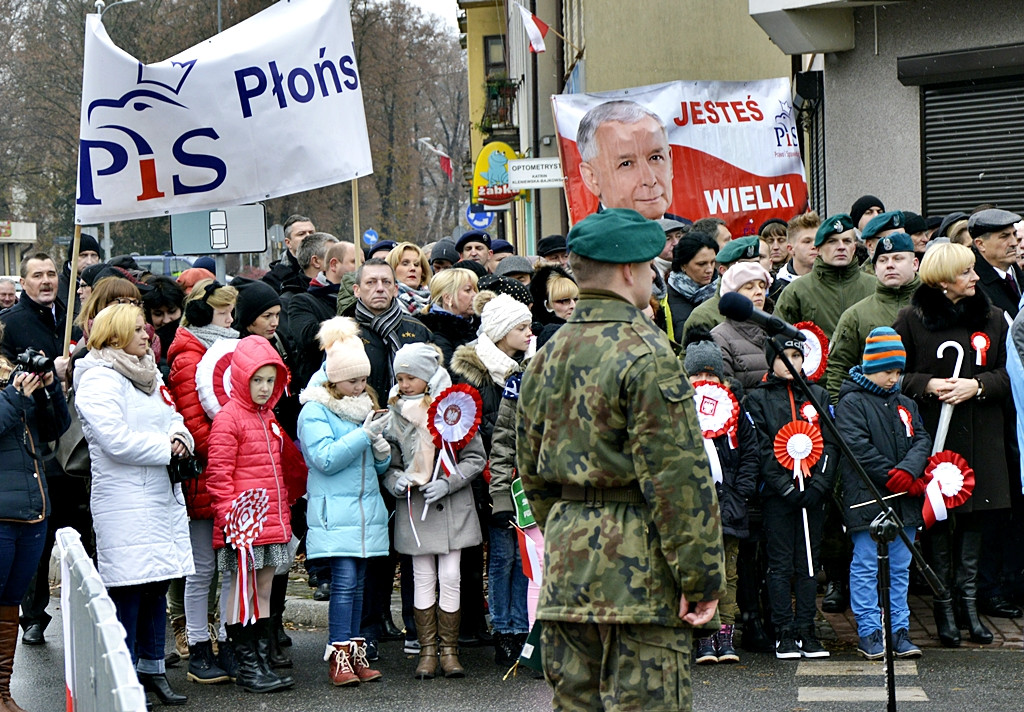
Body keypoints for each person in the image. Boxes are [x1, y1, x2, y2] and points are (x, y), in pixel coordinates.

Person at [517, 209, 724, 710]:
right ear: (629, 271)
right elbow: (678, 479)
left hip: (569, 564)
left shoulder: (547, 354)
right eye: (651, 267)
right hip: (642, 573)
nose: (655, 276)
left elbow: (531, 470)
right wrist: (700, 579)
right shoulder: (648, 353)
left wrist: (573, 521)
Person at [74, 303, 195, 705]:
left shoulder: (147, 372)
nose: (147, 336)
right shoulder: (98, 378)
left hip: (158, 496)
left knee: (156, 586)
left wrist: (181, 438)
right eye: (139, 330)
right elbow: (115, 440)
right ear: (115, 335)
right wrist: (167, 448)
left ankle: (153, 669)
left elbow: (172, 415)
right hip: (124, 500)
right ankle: (121, 676)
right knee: (128, 589)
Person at [893, 242, 1011, 647]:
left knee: (976, 523)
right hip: (935, 438)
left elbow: (1007, 375)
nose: (976, 278)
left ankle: (969, 607)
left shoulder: (994, 318)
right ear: (943, 280)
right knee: (938, 522)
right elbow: (894, 375)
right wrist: (927, 384)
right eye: (966, 272)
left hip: (982, 436)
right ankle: (944, 608)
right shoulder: (910, 319)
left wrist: (976, 386)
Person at [206, 335, 306, 693]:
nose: (265, 389)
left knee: (262, 591)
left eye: (270, 380)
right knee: (241, 594)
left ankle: (261, 660)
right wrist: (231, 521)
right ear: (241, 378)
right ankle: (247, 665)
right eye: (257, 380)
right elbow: (218, 477)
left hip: (271, 521)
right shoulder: (229, 418)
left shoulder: (267, 418)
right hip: (242, 527)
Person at [383, 342, 486, 680]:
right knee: (422, 577)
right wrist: (395, 479)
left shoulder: (454, 408)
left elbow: (475, 457)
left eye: (411, 377)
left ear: (427, 377)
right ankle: (427, 650)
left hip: (451, 505)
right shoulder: (394, 413)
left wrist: (449, 482)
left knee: (452, 577)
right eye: (399, 377)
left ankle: (450, 650)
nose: (404, 384)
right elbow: (389, 461)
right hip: (416, 507)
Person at [297, 317, 390, 687]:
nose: (361, 387)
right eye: (354, 381)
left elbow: (376, 466)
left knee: (360, 584)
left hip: (366, 512)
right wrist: (365, 437)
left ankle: (354, 653)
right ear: (334, 379)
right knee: (346, 582)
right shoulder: (314, 409)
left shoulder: (362, 402)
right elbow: (325, 459)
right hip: (335, 512)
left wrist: (381, 449)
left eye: (364, 380)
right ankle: (339, 656)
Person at [1, 252, 87, 647]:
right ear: (24, 282)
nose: (47, 280)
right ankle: (33, 615)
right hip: (24, 447)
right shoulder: (11, 324)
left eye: (52, 273)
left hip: (61, 435)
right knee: (35, 538)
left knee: (72, 526)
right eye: (37, 275)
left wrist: (58, 378)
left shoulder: (69, 315)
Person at [449, 292, 533, 666]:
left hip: (525, 478)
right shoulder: (472, 373)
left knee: (525, 557)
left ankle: (523, 626)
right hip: (491, 476)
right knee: (501, 558)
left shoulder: (531, 368)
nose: (531, 333)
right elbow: (473, 426)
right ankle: (503, 628)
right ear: (501, 332)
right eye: (521, 327)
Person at [835, 328, 929, 660]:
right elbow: (857, 448)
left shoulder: (905, 403)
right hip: (867, 499)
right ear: (870, 366)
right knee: (865, 565)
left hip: (904, 500)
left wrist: (910, 471)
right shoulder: (851, 402)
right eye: (887, 370)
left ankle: (899, 630)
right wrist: (895, 476)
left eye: (898, 371)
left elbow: (921, 439)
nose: (893, 378)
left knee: (900, 566)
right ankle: (869, 630)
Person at [744, 334, 838, 660]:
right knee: (780, 562)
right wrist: (783, 486)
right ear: (771, 360)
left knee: (809, 562)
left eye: (797, 357)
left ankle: (806, 630)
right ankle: (783, 630)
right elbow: (761, 445)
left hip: (812, 493)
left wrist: (820, 485)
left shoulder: (819, 394)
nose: (791, 363)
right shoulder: (757, 399)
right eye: (784, 357)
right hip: (778, 495)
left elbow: (831, 442)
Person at [165, 279, 239, 677]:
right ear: (202, 314)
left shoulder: (226, 347)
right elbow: (194, 424)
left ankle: (225, 641)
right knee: (202, 569)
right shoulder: (189, 357)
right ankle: (198, 646)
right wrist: (237, 444)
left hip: (229, 473)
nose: (231, 318)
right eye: (224, 311)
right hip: (205, 476)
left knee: (227, 565)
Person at [0, 320, 69, 712]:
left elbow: (54, 428)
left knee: (10, 602)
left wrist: (47, 392)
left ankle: (3, 693)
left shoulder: (12, 371)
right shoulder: (11, 387)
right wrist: (14, 396)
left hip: (30, 507)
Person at [682, 332, 758, 665]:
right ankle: (702, 636)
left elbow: (751, 454)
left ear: (722, 378)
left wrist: (739, 493)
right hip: (693, 510)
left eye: (710, 374)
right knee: (698, 571)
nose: (704, 380)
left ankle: (724, 634)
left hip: (730, 507)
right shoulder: (679, 412)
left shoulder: (736, 412)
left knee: (729, 573)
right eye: (697, 375)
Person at [825, 232, 920, 401]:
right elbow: (838, 369)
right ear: (875, 268)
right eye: (883, 260)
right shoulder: (856, 315)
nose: (890, 265)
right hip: (873, 411)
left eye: (898, 259)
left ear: (914, 264)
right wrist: (839, 411)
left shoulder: (935, 306)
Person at [774, 214, 877, 340]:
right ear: (818, 249)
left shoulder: (875, 287)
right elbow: (778, 339)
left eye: (847, 241)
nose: (841, 247)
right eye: (832, 241)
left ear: (854, 247)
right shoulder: (796, 291)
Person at [576, 101, 673, 219]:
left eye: (655, 158)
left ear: (670, 162)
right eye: (626, 164)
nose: (649, 180)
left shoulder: (692, 233)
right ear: (591, 177)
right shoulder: (586, 237)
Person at [710, 262, 774, 391]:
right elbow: (726, 392)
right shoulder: (720, 337)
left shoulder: (775, 331)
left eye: (762, 287)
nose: (758, 292)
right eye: (749, 287)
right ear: (733, 296)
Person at [681, 236, 761, 337]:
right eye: (743, 266)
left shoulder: (765, 305)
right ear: (724, 270)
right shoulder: (704, 316)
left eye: (756, 265)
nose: (752, 272)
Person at [661, 232, 718, 342]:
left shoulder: (723, 293)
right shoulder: (665, 300)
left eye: (713, 262)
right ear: (683, 265)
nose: (710, 269)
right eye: (701, 264)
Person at [416, 267, 478, 367]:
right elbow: (453, 374)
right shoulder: (436, 333)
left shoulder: (476, 324)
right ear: (448, 298)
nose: (475, 295)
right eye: (468, 290)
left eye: (475, 290)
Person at [967, 208, 1023, 319]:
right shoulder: (973, 285)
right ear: (980, 244)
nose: (1014, 242)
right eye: (1004, 236)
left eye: (1014, 234)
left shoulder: (1018, 274)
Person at [769, 212, 820, 301]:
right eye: (807, 241)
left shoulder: (833, 281)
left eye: (818, 240)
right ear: (790, 249)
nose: (814, 246)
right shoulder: (776, 289)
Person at [262, 214, 316, 294]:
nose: (308, 237)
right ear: (288, 243)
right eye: (301, 234)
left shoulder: (328, 270)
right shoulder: (275, 279)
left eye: (311, 233)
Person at [528, 265, 579, 348]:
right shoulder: (549, 335)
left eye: (576, 299)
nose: (573, 305)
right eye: (564, 300)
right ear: (546, 305)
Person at [387, 242, 432, 314]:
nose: (412, 268)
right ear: (391, 269)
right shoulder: (387, 304)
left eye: (416, 264)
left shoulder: (435, 301)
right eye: (405, 264)